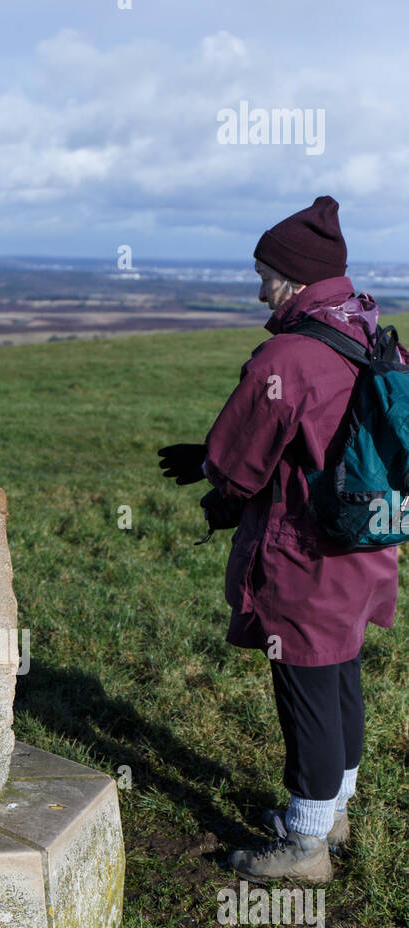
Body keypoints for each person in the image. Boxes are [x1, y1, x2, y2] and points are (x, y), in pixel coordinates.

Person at [159, 196, 401, 884]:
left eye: (264, 273)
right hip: (365, 544)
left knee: (305, 691)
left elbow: (240, 463)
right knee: (340, 674)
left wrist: (211, 474)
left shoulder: (289, 355)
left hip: (306, 556)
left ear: (293, 282)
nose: (258, 287)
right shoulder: (366, 330)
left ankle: (305, 846)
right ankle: (336, 810)